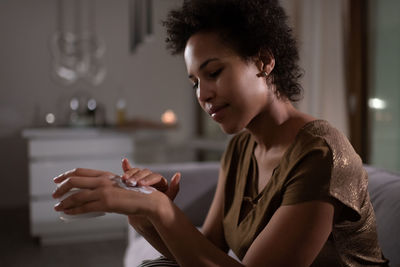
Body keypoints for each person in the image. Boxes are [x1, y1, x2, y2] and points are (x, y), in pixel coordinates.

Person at [52, 0, 389, 266]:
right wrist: (143, 210)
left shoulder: (321, 154)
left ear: (263, 61)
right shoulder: (241, 148)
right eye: (195, 82)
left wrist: (164, 211)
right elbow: (208, 248)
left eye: (213, 72)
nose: (202, 94)